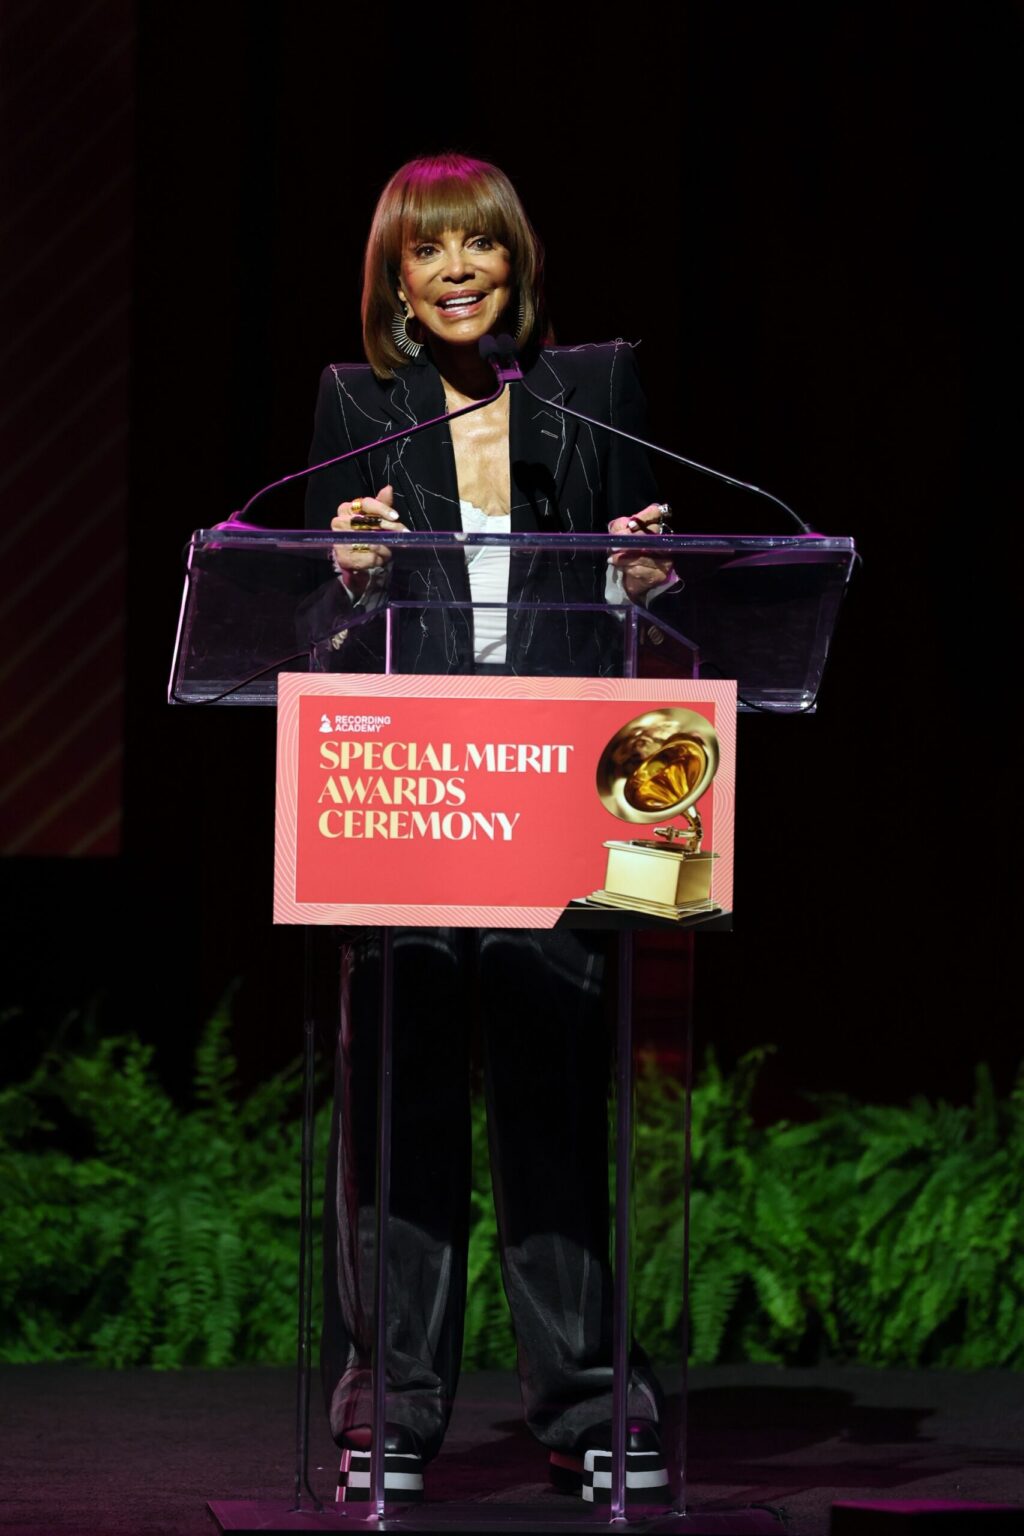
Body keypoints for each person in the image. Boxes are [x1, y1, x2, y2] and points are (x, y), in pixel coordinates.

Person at [304, 152, 675, 1505]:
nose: (458, 272)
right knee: (400, 1119)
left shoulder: (592, 390)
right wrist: (339, 571)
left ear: (515, 263)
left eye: (482, 248)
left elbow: (635, 579)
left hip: (553, 798)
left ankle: (587, 1407)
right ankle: (389, 1410)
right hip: (409, 800)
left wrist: (644, 572)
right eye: (430, 252)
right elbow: (309, 626)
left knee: (554, 1107)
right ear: (396, 279)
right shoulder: (355, 408)